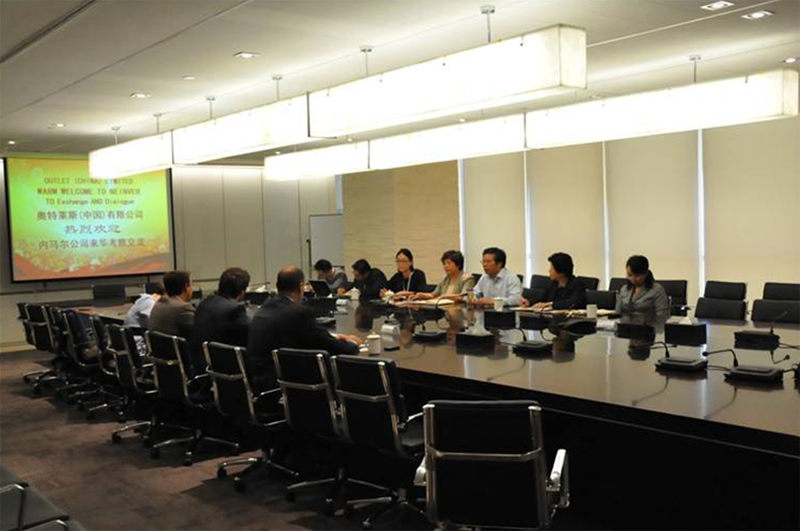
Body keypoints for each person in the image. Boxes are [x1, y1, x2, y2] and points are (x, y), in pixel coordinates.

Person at [247, 267, 362, 392]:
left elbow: (300, 335)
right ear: (300, 287)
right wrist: (352, 344)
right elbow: (330, 346)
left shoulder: (266, 306)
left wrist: (334, 337)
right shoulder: (298, 312)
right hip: (283, 385)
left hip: (259, 380)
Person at [188, 267, 252, 375]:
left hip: (200, 367)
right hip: (224, 372)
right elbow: (252, 334)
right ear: (242, 291)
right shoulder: (234, 309)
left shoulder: (204, 303)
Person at [522, 252, 586, 310]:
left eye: (552, 268)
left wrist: (550, 304)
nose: (549, 271)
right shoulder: (553, 284)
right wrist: (529, 302)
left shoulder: (577, 284)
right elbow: (542, 298)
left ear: (561, 271)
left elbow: (572, 303)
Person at [148, 270, 196, 339]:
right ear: (186, 287)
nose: (192, 289)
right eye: (191, 285)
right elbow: (198, 334)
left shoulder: (159, 303)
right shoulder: (183, 308)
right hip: (177, 346)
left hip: (158, 346)